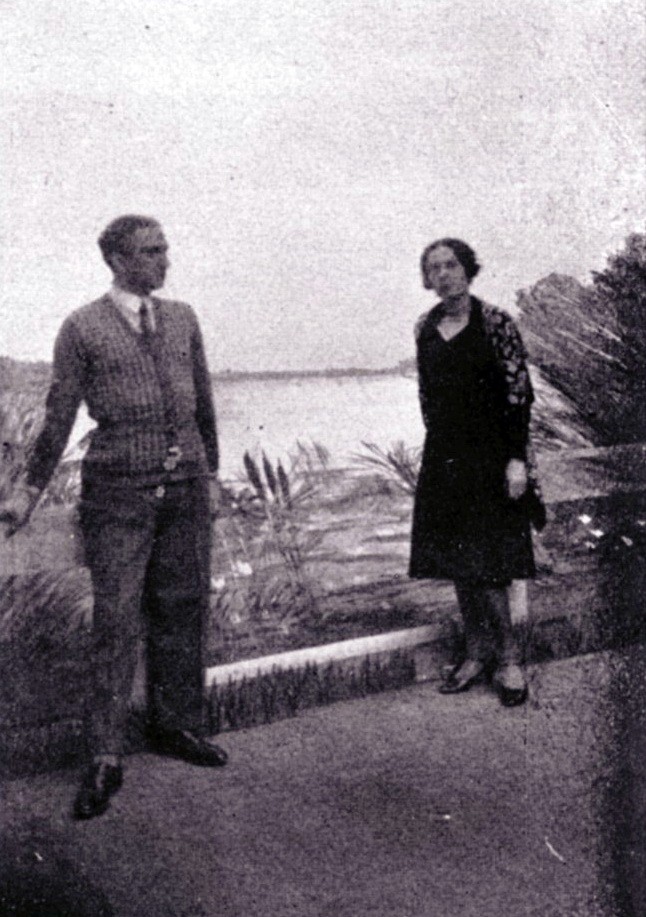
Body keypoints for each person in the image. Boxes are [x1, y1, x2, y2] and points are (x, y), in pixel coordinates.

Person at [0, 214, 228, 820]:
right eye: (151, 252)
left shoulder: (182, 317)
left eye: (165, 249)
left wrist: (209, 474)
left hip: (186, 487)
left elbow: (204, 404)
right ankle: (104, 754)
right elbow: (58, 415)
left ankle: (175, 726)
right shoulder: (82, 327)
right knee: (117, 619)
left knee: (182, 607)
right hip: (118, 493)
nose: (164, 260)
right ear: (118, 260)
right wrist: (28, 491)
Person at [409, 238, 545, 707]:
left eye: (451, 264)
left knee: (490, 566)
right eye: (434, 268)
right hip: (446, 458)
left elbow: (519, 394)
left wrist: (515, 459)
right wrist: (440, 453)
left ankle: (508, 659)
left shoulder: (495, 322)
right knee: (458, 563)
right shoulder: (425, 328)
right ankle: (476, 652)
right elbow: (427, 397)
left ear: (468, 270)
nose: (444, 274)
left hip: (492, 456)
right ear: (427, 278)